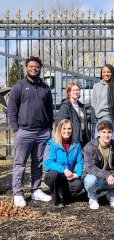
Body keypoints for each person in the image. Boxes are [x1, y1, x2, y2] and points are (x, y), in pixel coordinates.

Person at [7, 56, 53, 207]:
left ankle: (36, 190)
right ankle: (18, 193)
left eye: (37, 67)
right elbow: (12, 109)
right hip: (24, 132)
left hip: (42, 132)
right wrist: (15, 129)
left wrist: (49, 129)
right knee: (19, 163)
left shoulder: (45, 88)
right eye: (31, 66)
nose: (34, 68)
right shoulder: (18, 87)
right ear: (26, 68)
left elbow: (49, 110)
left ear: (40, 69)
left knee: (37, 163)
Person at [83, 120, 114, 209]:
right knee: (89, 180)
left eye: (109, 132)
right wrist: (106, 175)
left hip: (112, 178)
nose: (106, 135)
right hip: (97, 178)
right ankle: (93, 197)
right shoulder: (90, 146)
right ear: (99, 133)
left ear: (112, 133)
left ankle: (111, 195)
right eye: (104, 132)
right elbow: (90, 168)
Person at [43, 119, 84, 208]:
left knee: (78, 184)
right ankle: (56, 197)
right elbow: (48, 162)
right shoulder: (52, 143)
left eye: (69, 128)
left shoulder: (76, 144)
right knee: (53, 175)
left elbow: (80, 161)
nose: (67, 131)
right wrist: (64, 170)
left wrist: (77, 174)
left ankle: (65, 193)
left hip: (69, 176)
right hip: (56, 175)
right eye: (64, 128)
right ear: (59, 130)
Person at [91, 64, 114, 142]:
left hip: (112, 119)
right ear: (101, 74)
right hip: (99, 120)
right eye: (104, 72)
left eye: (108, 72)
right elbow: (94, 104)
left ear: (112, 73)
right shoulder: (96, 86)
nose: (106, 74)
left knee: (112, 146)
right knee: (97, 145)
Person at [56, 82, 90, 147]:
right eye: (73, 90)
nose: (76, 92)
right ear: (69, 93)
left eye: (77, 90)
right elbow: (61, 124)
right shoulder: (65, 106)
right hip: (72, 138)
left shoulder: (81, 106)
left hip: (82, 137)